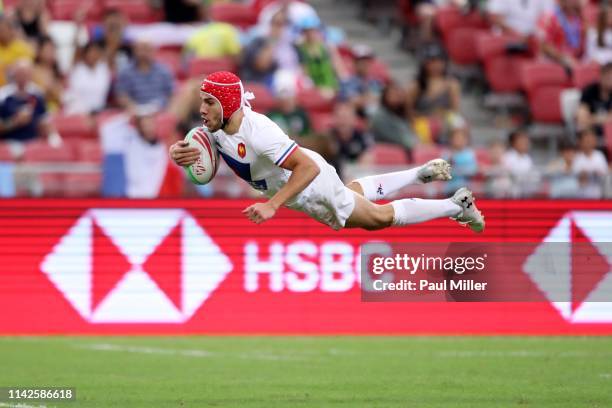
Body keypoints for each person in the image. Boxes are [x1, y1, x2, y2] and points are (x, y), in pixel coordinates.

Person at [168, 71, 484, 233]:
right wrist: (180, 153)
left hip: (309, 186)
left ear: (228, 104)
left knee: (377, 218)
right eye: (202, 101)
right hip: (301, 187)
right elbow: (201, 161)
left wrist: (272, 206)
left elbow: (308, 168)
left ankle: (456, 206)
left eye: (209, 102)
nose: (202, 109)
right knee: (352, 195)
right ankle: (418, 173)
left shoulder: (260, 133)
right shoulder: (217, 129)